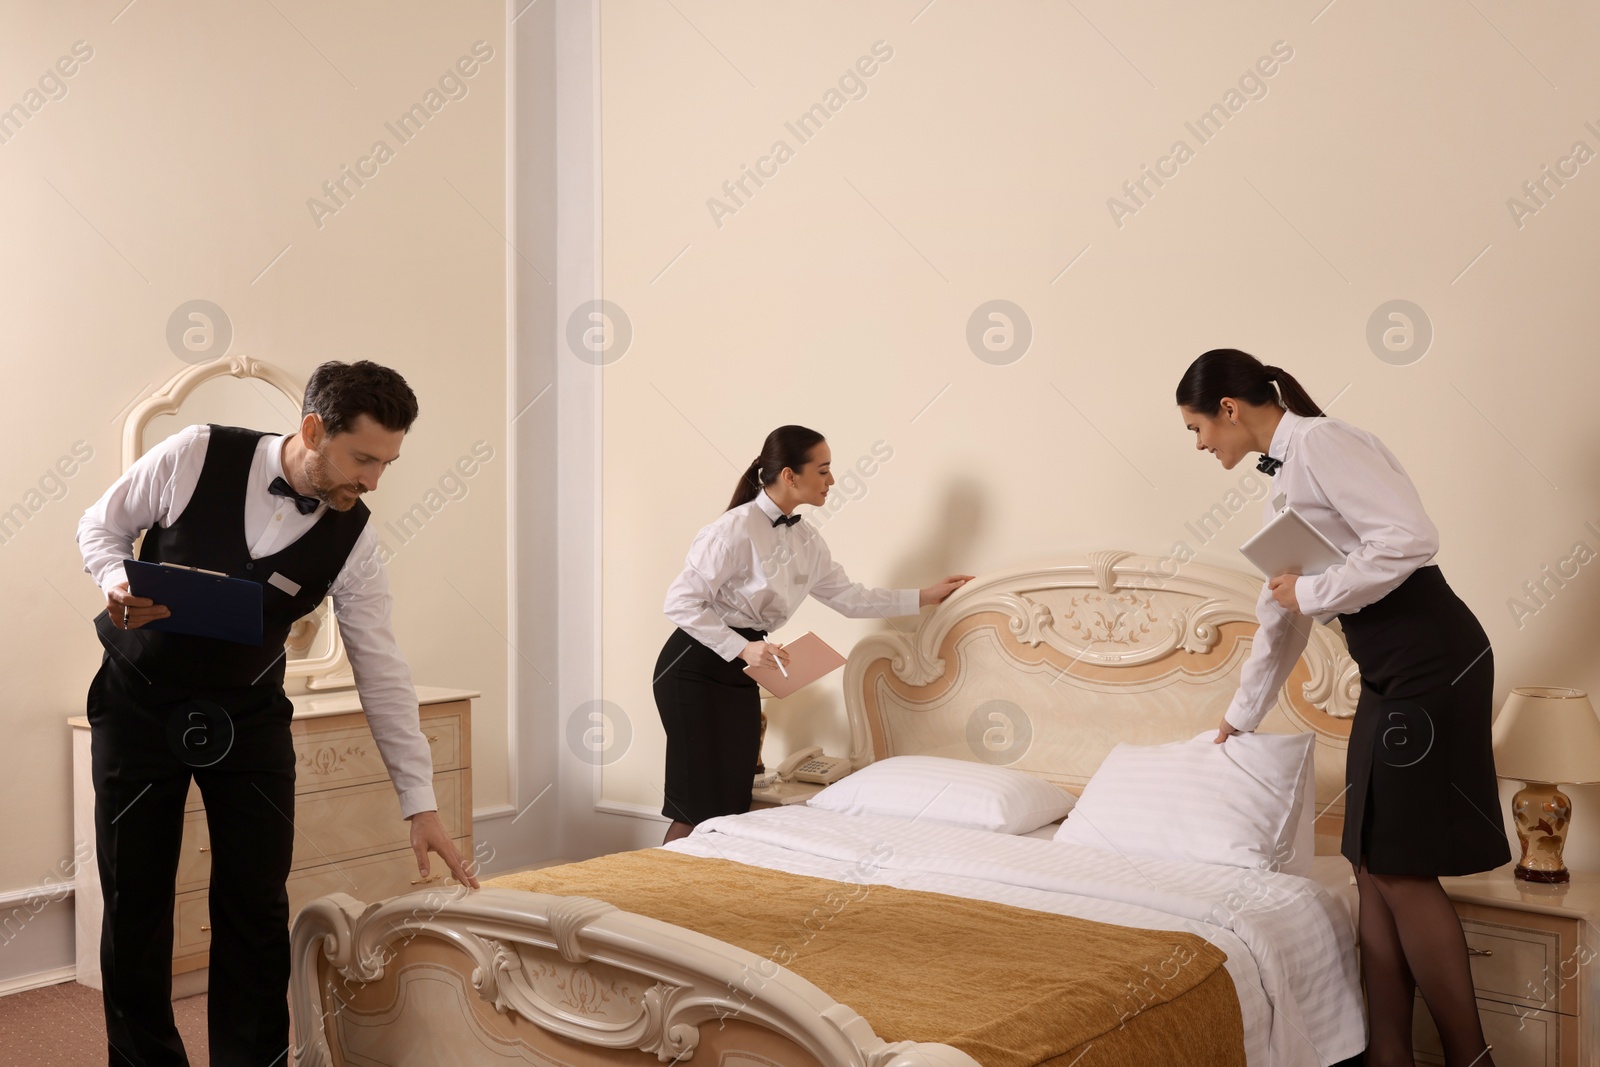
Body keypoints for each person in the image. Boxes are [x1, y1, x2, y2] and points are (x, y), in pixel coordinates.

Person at [77, 360, 478, 1067]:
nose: (375, 480)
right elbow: (99, 528)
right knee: (135, 901)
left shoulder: (354, 539)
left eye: (388, 462)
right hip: (137, 703)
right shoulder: (194, 451)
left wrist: (421, 803)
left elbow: (380, 667)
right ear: (314, 429)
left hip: (249, 717)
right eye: (363, 458)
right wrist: (115, 578)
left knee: (256, 907)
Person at [1176, 349, 1507, 1067]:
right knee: (1365, 861)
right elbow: (1281, 619)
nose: (1200, 443)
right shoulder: (1281, 486)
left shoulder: (1324, 442)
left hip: (1434, 657)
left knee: (1400, 868)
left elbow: (1411, 538)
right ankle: (1389, 1056)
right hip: (1390, 671)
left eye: (1198, 427)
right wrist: (1241, 715)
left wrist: (1315, 593)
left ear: (1229, 409)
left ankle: (1471, 1058)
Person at [654, 424, 971, 844]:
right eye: (822, 471)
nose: (832, 481)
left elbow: (851, 598)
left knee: (731, 800)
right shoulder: (731, 529)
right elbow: (679, 603)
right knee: (698, 802)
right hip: (692, 668)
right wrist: (744, 647)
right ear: (789, 475)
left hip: (741, 671)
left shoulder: (807, 540)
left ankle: (703, 900)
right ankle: (662, 893)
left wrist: (925, 596)